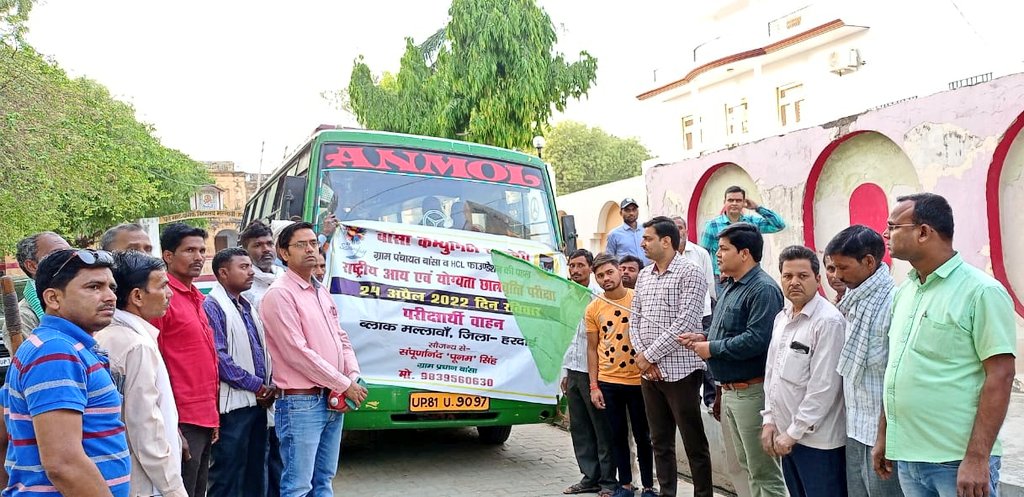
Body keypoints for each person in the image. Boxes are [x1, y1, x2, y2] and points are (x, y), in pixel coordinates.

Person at [874, 193, 1016, 497]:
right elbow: (896, 368)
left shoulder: (981, 292)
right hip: (909, 458)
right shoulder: (905, 292)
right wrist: (886, 436)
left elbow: (1001, 376)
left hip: (957, 461)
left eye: (893, 226)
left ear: (924, 232)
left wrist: (977, 458)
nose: (885, 234)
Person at [3, 249, 131, 496]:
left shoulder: (66, 346)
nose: (110, 297)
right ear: (53, 298)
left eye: (111, 287)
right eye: (94, 287)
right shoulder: (55, 351)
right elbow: (63, 463)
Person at [259, 222, 366, 497]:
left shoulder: (320, 290)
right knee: (298, 486)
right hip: (301, 402)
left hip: (332, 397)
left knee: (324, 481)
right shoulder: (280, 294)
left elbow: (341, 337)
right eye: (301, 245)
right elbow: (297, 352)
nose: (310, 249)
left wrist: (353, 375)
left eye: (313, 243)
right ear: (284, 253)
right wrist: (344, 384)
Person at [681, 222, 787, 497]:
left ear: (745, 253)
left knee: (764, 471)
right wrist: (703, 337)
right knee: (745, 467)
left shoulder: (763, 289)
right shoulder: (730, 285)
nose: (717, 254)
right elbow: (726, 330)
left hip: (751, 392)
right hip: (730, 391)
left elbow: (757, 339)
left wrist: (712, 348)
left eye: (724, 249)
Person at [630, 216, 713, 497]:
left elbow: (685, 323)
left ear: (666, 241)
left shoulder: (691, 273)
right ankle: (667, 493)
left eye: (648, 238)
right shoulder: (644, 275)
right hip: (649, 373)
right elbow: (634, 319)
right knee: (659, 441)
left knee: (693, 442)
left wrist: (649, 356)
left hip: (682, 372)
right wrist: (643, 358)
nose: (642, 243)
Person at [95, 251, 188, 497]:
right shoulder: (135, 346)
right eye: (163, 286)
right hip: (143, 481)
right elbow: (145, 427)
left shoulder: (108, 335)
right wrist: (173, 489)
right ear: (137, 296)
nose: (169, 294)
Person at [760, 245, 847, 497]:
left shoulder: (828, 321)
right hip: (786, 436)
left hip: (818, 442)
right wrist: (769, 421)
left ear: (817, 279)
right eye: (787, 276)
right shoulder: (782, 318)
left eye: (802, 276)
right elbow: (772, 374)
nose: (794, 282)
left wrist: (793, 432)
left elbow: (824, 387)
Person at [825, 226, 903, 497]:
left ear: (869, 262)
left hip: (883, 433)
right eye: (833, 267)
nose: (836, 276)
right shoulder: (853, 300)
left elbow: (896, 377)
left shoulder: (893, 302)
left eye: (843, 267)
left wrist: (885, 434)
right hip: (854, 427)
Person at [152, 223, 220, 497]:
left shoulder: (197, 297)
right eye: (189, 250)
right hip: (180, 418)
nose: (198, 257)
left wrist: (213, 417)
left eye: (202, 250)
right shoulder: (162, 299)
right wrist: (171, 425)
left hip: (204, 415)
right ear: (168, 256)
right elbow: (154, 364)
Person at [204, 248, 277, 496]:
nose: (251, 272)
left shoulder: (246, 305)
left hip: (258, 401)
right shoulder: (213, 306)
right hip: (234, 406)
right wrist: (258, 385)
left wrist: (267, 386)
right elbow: (219, 358)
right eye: (243, 267)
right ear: (223, 273)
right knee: (228, 473)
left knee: (256, 471)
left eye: (250, 266)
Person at [585, 254, 655, 497]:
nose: (606, 278)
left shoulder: (638, 300)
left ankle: (649, 486)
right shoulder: (593, 308)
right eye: (600, 275)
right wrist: (594, 386)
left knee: (643, 436)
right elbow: (592, 348)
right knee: (617, 436)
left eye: (609, 272)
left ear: (619, 271)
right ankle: (624, 485)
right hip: (609, 382)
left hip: (639, 381)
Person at [561, 249, 616, 496]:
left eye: (580, 265)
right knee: (580, 427)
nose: (575, 270)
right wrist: (564, 372)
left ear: (590, 268)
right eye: (572, 266)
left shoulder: (598, 297)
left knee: (601, 428)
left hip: (594, 372)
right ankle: (589, 476)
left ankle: (608, 481)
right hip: (573, 369)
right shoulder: (567, 296)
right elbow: (565, 336)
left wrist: (598, 380)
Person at [699, 186, 786, 294]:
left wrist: (757, 208)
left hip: (749, 277)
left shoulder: (751, 223)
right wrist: (711, 277)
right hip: (723, 279)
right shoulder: (712, 225)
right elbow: (703, 255)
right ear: (724, 202)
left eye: (738, 200)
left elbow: (779, 225)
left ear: (744, 203)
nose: (734, 203)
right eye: (730, 200)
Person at [672, 215, 717, 408]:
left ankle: (711, 398)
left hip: (703, 312)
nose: (678, 231)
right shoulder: (667, 258)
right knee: (686, 357)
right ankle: (692, 398)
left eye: (680, 227)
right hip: (679, 316)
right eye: (674, 228)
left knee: (706, 356)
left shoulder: (700, 253)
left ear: (686, 230)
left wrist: (712, 306)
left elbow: (710, 283)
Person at [1, 232, 71, 350]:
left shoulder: (79, 301)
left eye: (70, 253)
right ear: (32, 266)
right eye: (58, 254)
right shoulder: (23, 318)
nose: (69, 259)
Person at [241, 220, 285, 311]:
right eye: (258, 245)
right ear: (245, 251)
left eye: (270, 244)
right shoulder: (242, 286)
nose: (266, 249)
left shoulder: (283, 275)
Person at [605, 198, 650, 266]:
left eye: (634, 209)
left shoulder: (646, 230)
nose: (631, 213)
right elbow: (609, 258)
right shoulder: (614, 234)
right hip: (627, 271)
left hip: (647, 270)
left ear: (638, 211)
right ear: (621, 213)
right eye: (627, 210)